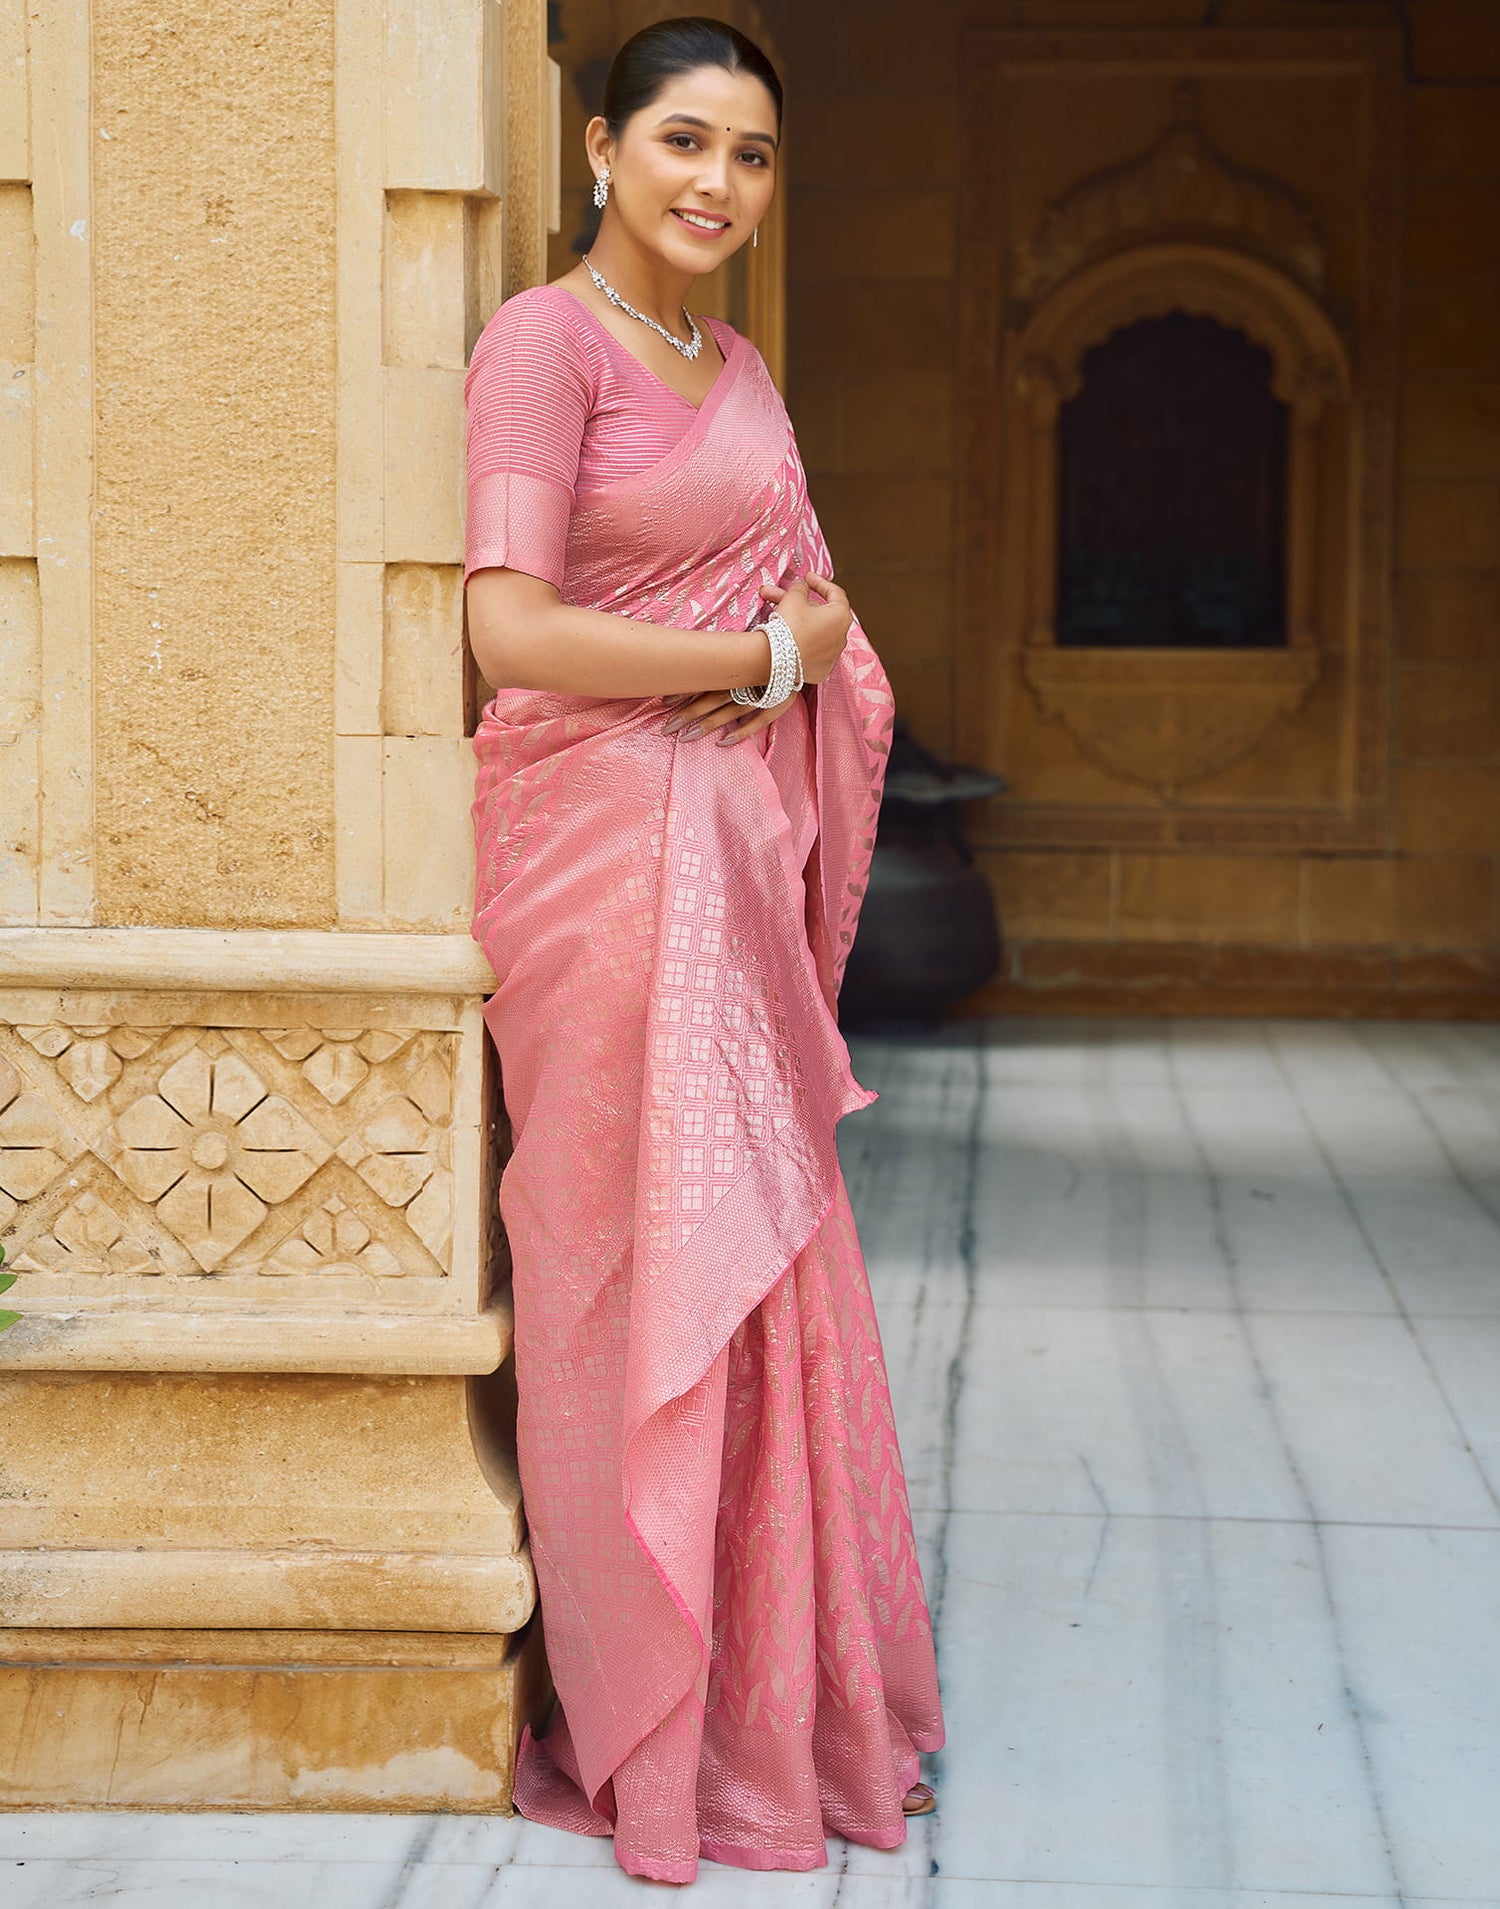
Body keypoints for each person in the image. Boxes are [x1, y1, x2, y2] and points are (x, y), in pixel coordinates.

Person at [462, 15, 944, 1884]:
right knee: (613, 1286)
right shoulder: (542, 346)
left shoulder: (735, 362)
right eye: (680, 141)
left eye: (749, 157)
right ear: (598, 149)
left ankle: (768, 1706)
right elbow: (515, 629)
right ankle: (652, 1733)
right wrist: (753, 664)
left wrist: (800, 648)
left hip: (728, 882)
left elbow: (821, 605)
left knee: (752, 1283)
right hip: (592, 861)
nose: (714, 185)